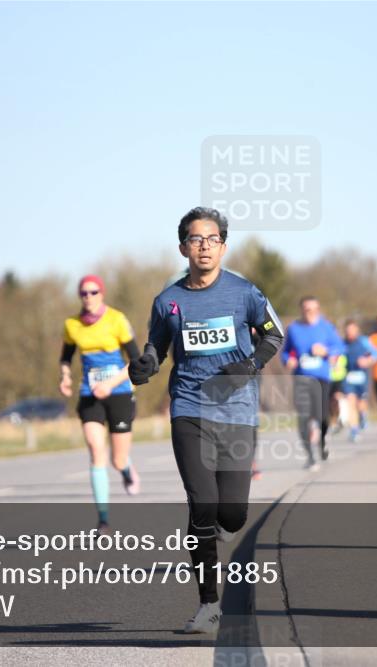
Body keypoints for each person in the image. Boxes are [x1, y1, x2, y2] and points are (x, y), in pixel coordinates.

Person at [129, 207, 283, 633]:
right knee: (201, 502)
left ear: (223, 246)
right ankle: (208, 605)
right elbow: (155, 349)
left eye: (212, 239)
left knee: (232, 514)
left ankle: (219, 531)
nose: (204, 246)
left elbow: (274, 334)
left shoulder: (244, 293)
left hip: (237, 412)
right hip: (189, 409)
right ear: (183, 247)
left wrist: (249, 366)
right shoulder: (168, 301)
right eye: (196, 239)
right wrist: (144, 365)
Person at [59, 275, 142, 534]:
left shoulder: (117, 319)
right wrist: (65, 377)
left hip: (118, 392)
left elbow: (138, 361)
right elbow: (65, 357)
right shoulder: (72, 325)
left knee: (117, 460)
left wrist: (112, 382)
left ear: (102, 294)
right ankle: (103, 520)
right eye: (84, 293)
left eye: (94, 292)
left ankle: (126, 470)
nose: (89, 297)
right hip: (89, 394)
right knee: (96, 451)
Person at [281, 296, 343, 469]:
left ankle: (322, 442)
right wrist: (288, 360)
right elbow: (286, 352)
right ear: (301, 310)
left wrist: (327, 351)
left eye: (314, 309)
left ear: (319, 310)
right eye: (307, 309)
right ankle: (310, 456)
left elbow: (339, 347)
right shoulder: (294, 328)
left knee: (322, 416)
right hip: (301, 377)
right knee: (304, 417)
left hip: (321, 377)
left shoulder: (326, 327)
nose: (310, 313)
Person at [341, 319, 377, 442]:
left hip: (362, 377)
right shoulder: (342, 343)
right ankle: (354, 430)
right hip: (348, 377)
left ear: (357, 330)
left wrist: (367, 361)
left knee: (361, 403)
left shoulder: (364, 341)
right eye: (348, 331)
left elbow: (375, 354)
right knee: (350, 402)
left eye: (352, 330)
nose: (350, 333)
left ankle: (363, 415)